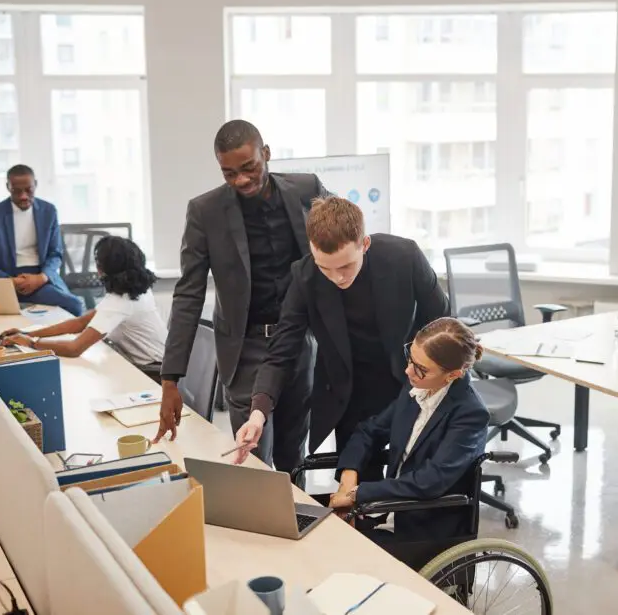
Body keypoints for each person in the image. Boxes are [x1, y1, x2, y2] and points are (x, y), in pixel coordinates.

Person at [232, 196, 450, 480]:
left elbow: (443, 322)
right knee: (356, 487)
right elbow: (281, 353)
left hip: (413, 382)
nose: (336, 278)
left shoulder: (404, 257)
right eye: (325, 268)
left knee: (418, 482)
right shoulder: (305, 277)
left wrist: (432, 378)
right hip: (351, 395)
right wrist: (258, 414)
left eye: (345, 266)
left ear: (365, 244)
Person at [156, 119, 328, 473]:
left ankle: (297, 525)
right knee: (250, 457)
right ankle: (259, 527)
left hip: (297, 342)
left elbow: (343, 240)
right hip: (245, 347)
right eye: (229, 173)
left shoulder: (305, 189)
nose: (242, 180)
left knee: (293, 454)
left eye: (249, 168)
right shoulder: (205, 211)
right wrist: (170, 378)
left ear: (266, 154)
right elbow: (188, 293)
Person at [329, 317, 489, 546]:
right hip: (388, 510)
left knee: (334, 549)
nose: (408, 371)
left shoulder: (470, 414)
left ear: (453, 375)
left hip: (422, 525)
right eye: (410, 358)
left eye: (421, 369)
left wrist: (357, 494)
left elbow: (430, 481)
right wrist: (348, 477)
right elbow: (370, 431)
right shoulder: (418, 386)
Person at [0, 236, 166, 366]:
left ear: (102, 269)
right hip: (159, 364)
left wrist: (31, 343)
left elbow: (74, 348)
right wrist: (28, 333)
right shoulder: (134, 290)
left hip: (152, 371)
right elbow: (80, 323)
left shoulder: (120, 301)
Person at [0, 164, 85, 317]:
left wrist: (42, 277)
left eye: (28, 190)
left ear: (36, 185)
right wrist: (9, 281)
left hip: (41, 278)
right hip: (5, 280)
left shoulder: (48, 211)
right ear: (8, 187)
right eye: (16, 191)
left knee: (75, 306)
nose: (23, 196)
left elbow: (55, 253)